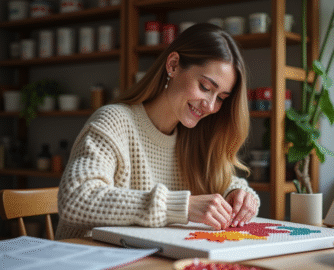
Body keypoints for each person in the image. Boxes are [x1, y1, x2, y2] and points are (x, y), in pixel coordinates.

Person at [55, 23, 260, 240]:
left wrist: (239, 196)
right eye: (205, 88)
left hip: (147, 260)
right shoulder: (114, 121)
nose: (210, 106)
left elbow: (225, 180)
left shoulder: (196, 136)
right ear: (173, 65)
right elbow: (75, 199)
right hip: (88, 260)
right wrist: (181, 206)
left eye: (220, 98)